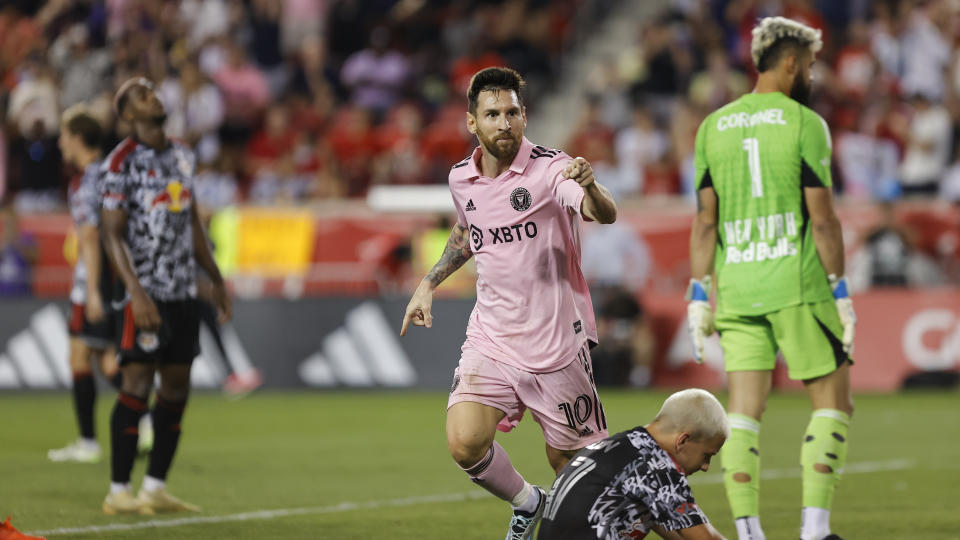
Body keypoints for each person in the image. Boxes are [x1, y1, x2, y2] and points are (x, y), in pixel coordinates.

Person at [400, 67, 618, 540]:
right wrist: (429, 282)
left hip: (556, 341)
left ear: (524, 116)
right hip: (492, 336)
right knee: (464, 441)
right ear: (471, 123)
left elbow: (600, 212)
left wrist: (592, 187)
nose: (504, 122)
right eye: (492, 113)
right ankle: (528, 502)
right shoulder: (462, 179)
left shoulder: (550, 169)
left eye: (512, 112)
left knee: (572, 467)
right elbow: (467, 231)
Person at [686, 17, 856, 540]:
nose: (810, 75)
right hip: (798, 284)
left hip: (736, 287)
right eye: (808, 65)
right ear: (789, 63)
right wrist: (841, 289)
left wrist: (698, 294)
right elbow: (823, 219)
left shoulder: (712, 127)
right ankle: (814, 530)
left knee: (742, 412)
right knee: (833, 402)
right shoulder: (805, 124)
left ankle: (749, 532)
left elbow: (705, 221)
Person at [98, 77, 231, 515]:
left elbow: (190, 219)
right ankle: (118, 490)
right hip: (144, 292)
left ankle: (154, 487)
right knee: (136, 382)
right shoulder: (119, 162)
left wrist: (214, 277)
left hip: (182, 291)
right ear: (129, 114)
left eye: (153, 91)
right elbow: (111, 234)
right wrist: (135, 293)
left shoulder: (181, 154)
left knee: (176, 388)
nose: (153, 97)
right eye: (142, 95)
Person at [538, 389, 729, 540]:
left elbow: (664, 522)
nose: (706, 466)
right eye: (707, 455)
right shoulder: (657, 466)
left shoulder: (623, 446)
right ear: (683, 441)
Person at [48, 107, 126, 463]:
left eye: (64, 135)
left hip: (97, 280)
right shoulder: (109, 173)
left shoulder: (84, 183)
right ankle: (94, 439)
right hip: (112, 277)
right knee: (92, 356)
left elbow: (91, 236)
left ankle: (100, 437)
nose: (60, 142)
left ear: (78, 138)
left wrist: (92, 291)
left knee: (99, 359)